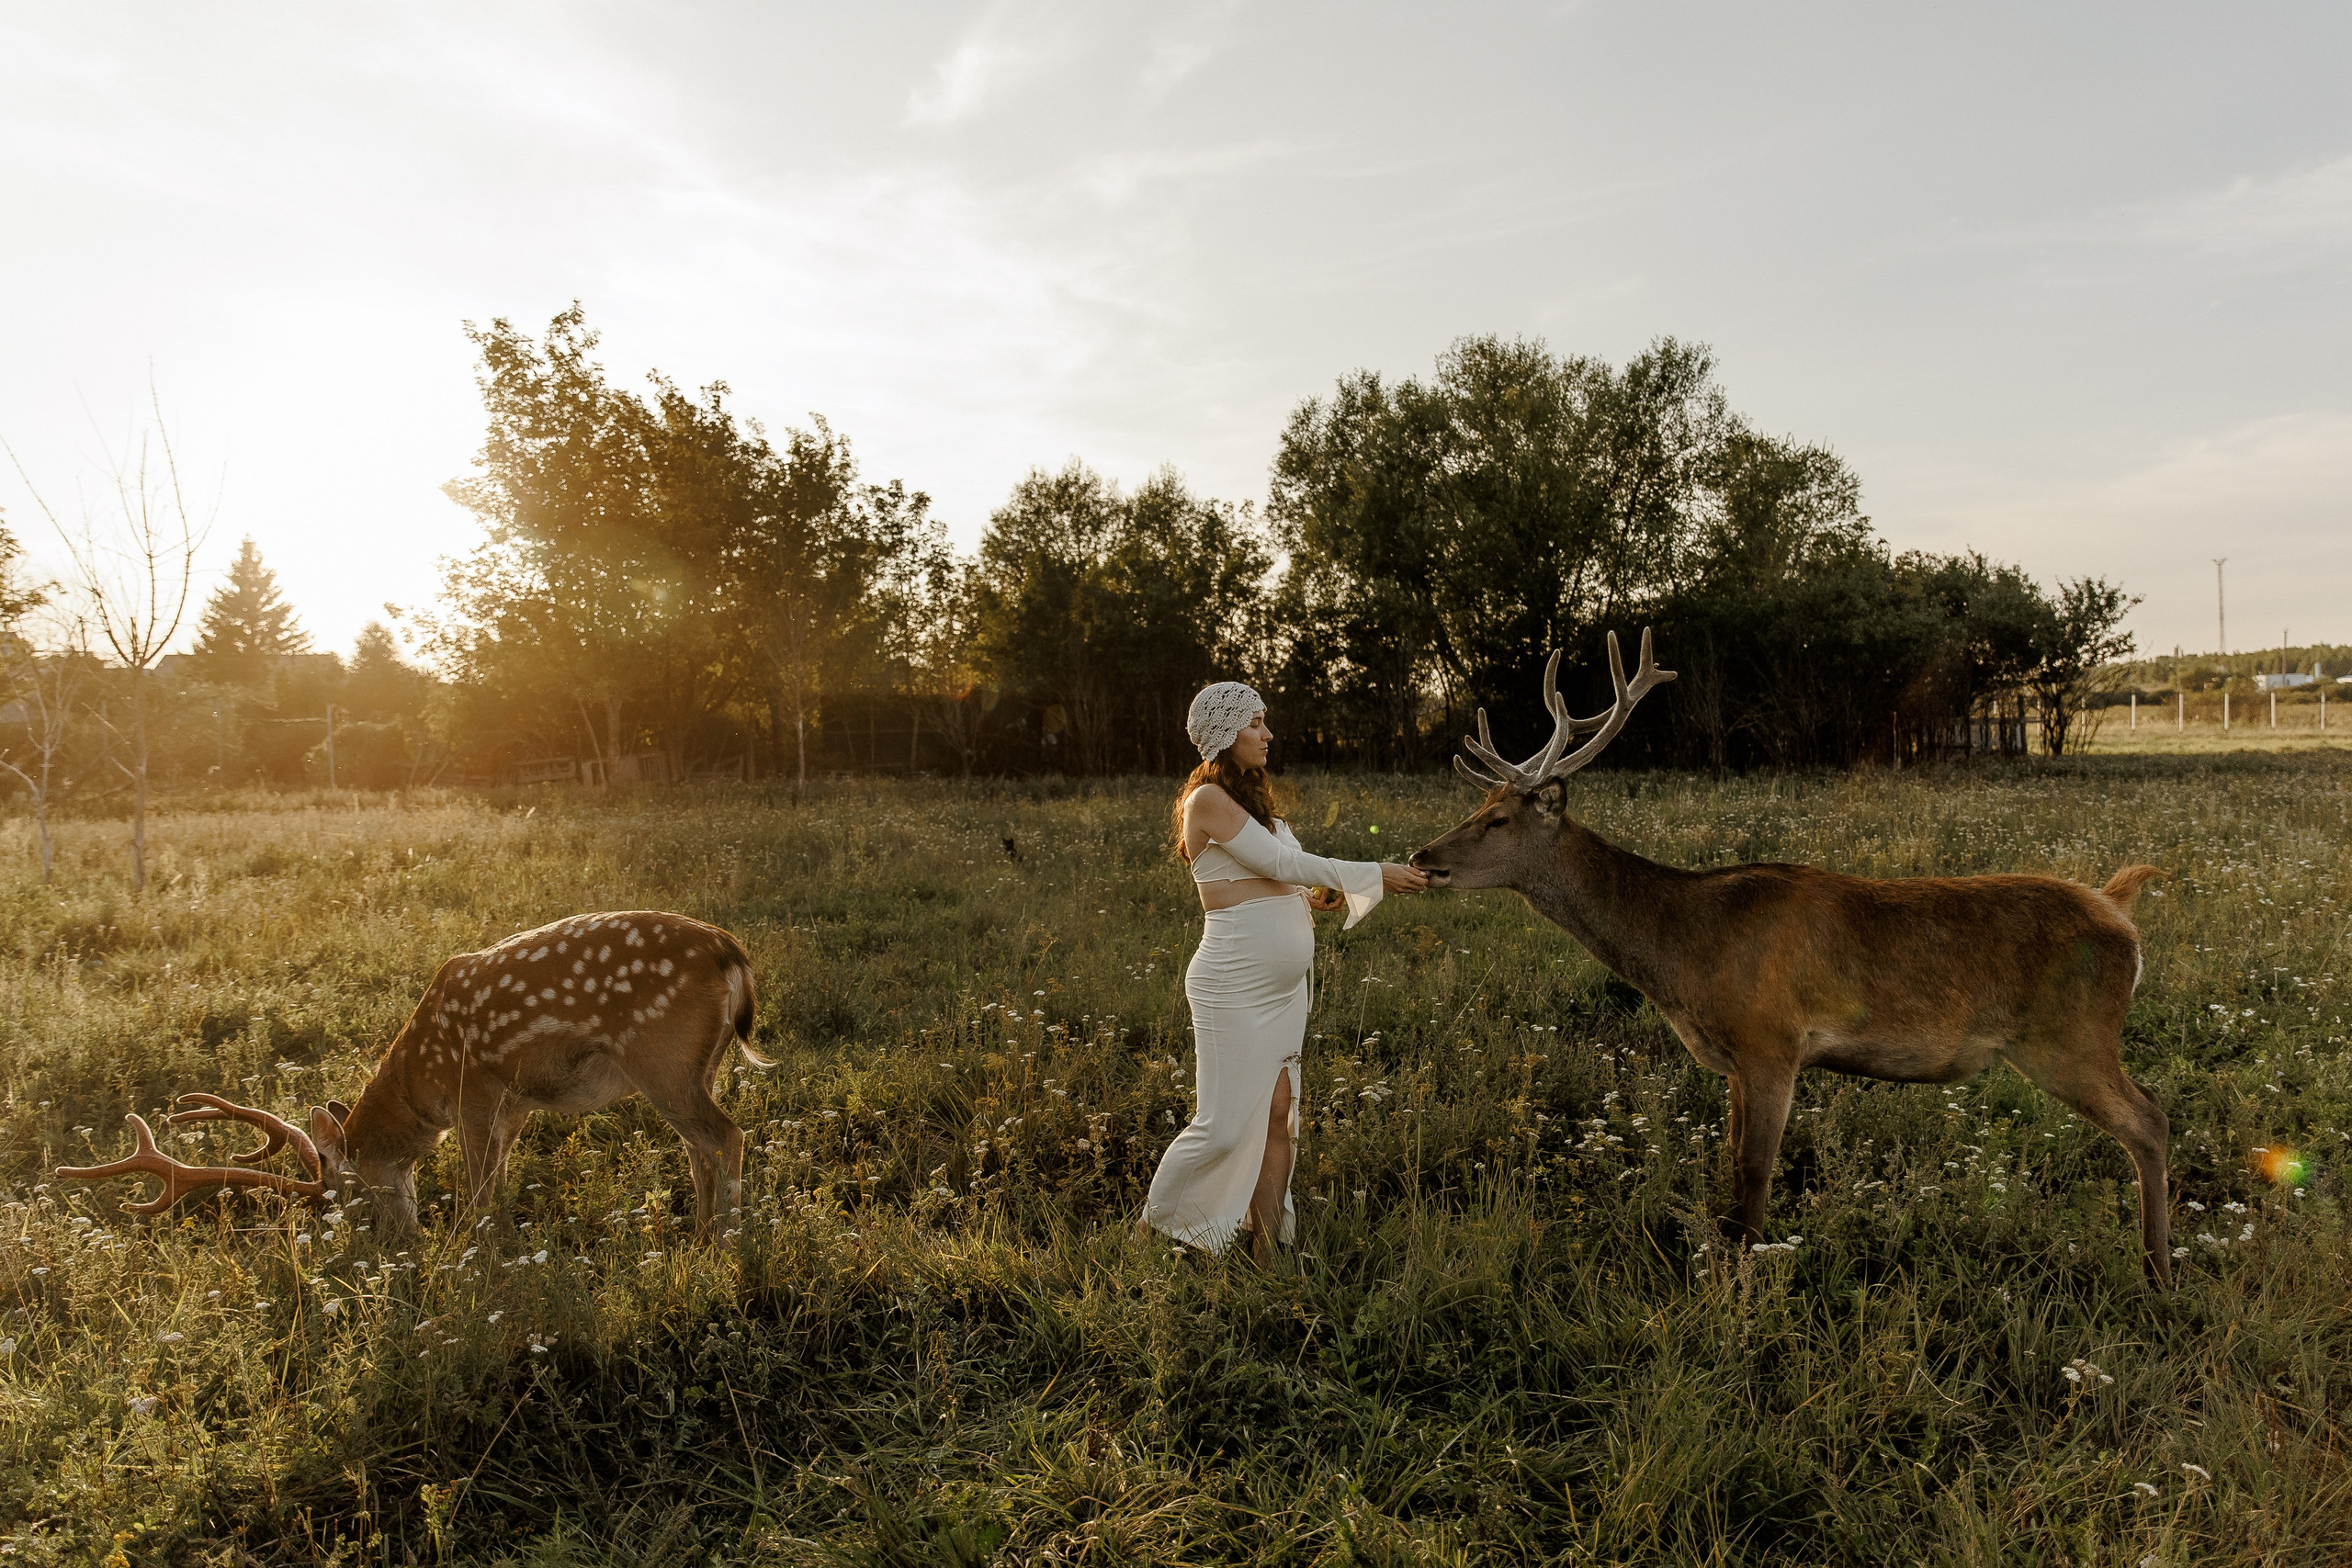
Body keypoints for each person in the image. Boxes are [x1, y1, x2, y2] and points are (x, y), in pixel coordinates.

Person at [1139, 681, 1426, 1265]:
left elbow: (1285, 874)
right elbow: (1281, 861)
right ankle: (1150, 1235)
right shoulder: (1207, 801)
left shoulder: (1257, 803)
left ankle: (1270, 1257)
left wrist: (1313, 894)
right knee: (1221, 1127)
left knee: (1279, 1119)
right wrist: (1372, 873)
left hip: (1281, 993)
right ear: (1224, 735)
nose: (1268, 735)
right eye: (1255, 724)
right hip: (1233, 988)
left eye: (1265, 723)